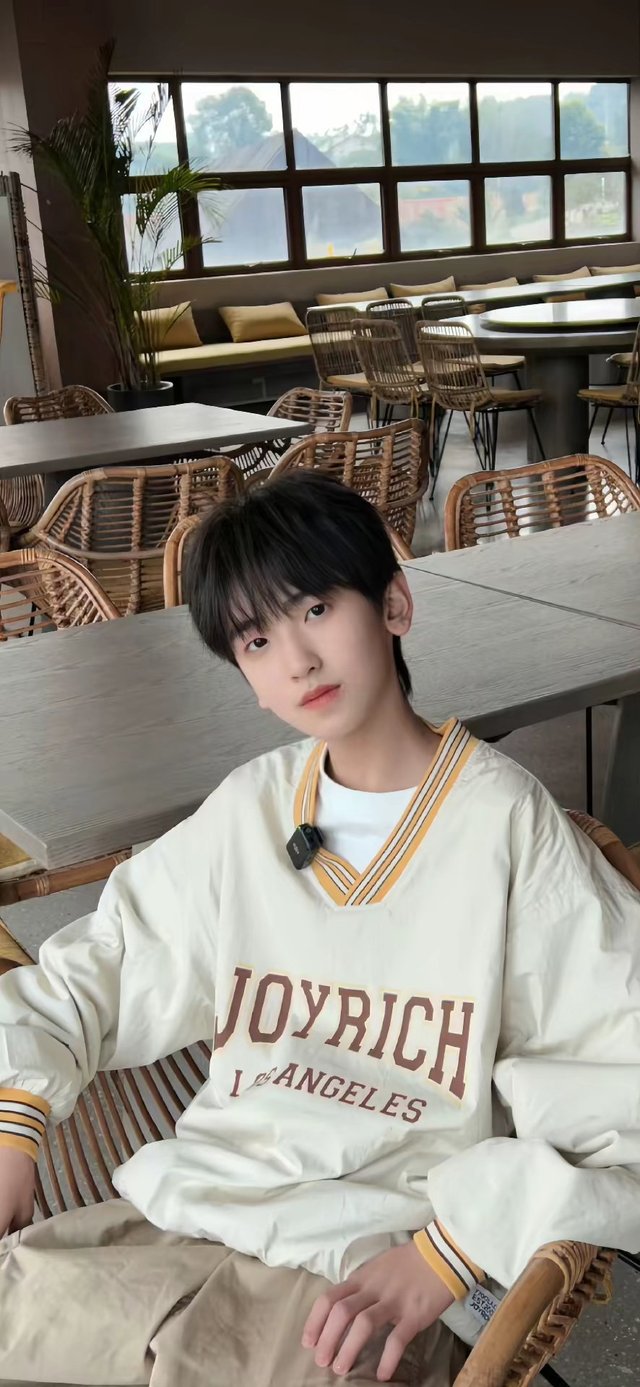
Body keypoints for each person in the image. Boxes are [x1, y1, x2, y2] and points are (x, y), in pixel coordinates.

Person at [0, 472, 639, 1387]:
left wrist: (450, 1251)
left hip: (360, 1266)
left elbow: (617, 1072)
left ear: (394, 604)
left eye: (316, 607)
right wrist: (14, 1120)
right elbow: (100, 964)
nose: (297, 659)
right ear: (246, 677)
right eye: (257, 639)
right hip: (181, 1216)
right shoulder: (249, 812)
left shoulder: (505, 825)